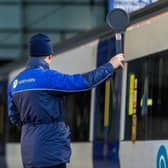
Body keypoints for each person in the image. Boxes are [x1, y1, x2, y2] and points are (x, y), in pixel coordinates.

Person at [8, 33, 124, 168]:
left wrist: (32, 125)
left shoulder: (15, 83)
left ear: (31, 56)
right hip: (51, 153)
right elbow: (83, 83)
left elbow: (14, 117)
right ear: (49, 56)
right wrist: (110, 65)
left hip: (28, 154)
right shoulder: (48, 78)